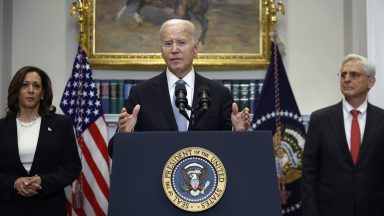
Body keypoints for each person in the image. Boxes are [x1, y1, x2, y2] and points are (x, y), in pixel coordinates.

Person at [108, 19, 250, 157]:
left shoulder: (219, 93)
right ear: (161, 50)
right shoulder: (141, 93)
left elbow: (235, 152)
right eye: (168, 43)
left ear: (195, 49)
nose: (174, 49)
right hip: (155, 177)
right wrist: (125, 134)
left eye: (181, 42)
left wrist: (238, 132)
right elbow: (114, 152)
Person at [301, 54, 384, 216]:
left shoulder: (382, 120)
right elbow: (309, 173)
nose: (347, 79)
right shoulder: (320, 119)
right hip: (330, 210)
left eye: (354, 75)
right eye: (343, 74)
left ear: (371, 82)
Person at [0, 66, 82, 216]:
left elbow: (72, 167)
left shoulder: (61, 124)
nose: (30, 90)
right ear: (16, 90)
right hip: (9, 208)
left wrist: (43, 181)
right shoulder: (2, 127)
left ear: (43, 92)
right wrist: (14, 183)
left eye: (36, 86)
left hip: (49, 206)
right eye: (24, 85)